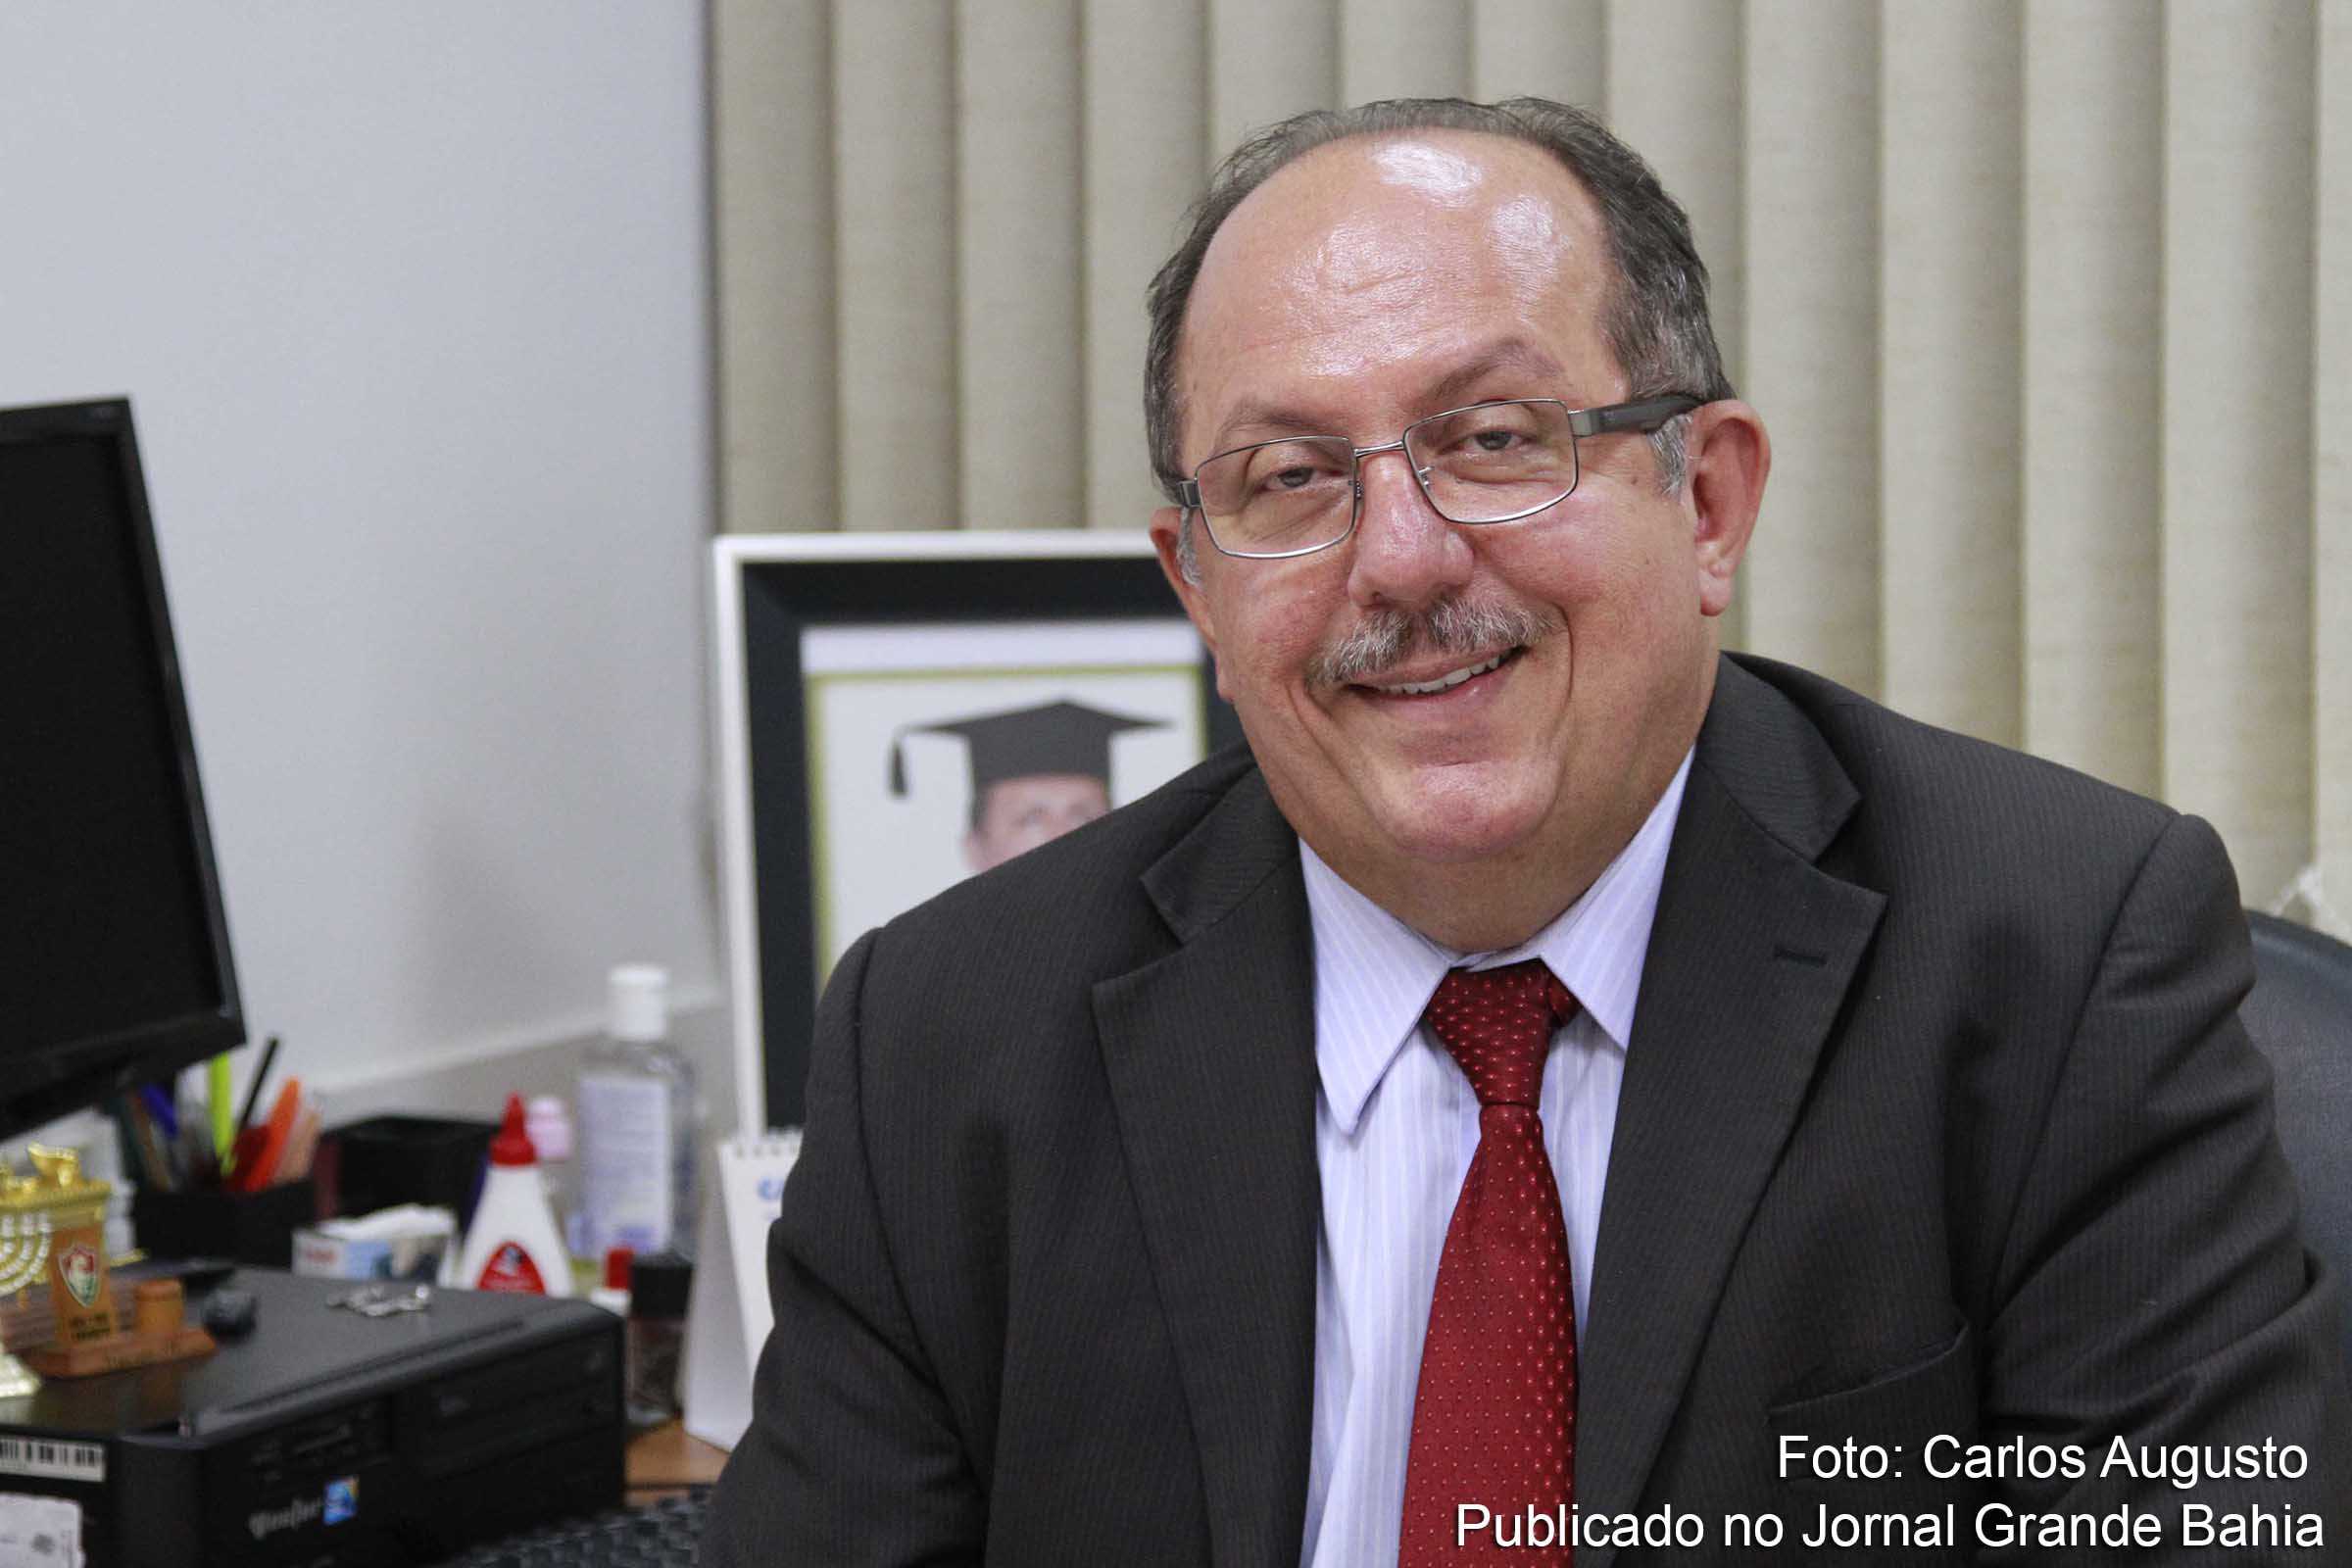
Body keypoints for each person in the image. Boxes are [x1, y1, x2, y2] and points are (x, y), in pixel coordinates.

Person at [705, 97, 2349, 1565]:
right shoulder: (949, 1034)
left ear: (1705, 501)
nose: (1403, 561)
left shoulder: (2062, 958)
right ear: (1198, 587)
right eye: (1288, 478)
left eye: (1494, 440)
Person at [888, 699, 1167, 874]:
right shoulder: (939, 963)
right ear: (975, 849)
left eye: (1084, 817)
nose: (1064, 836)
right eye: (1032, 819)